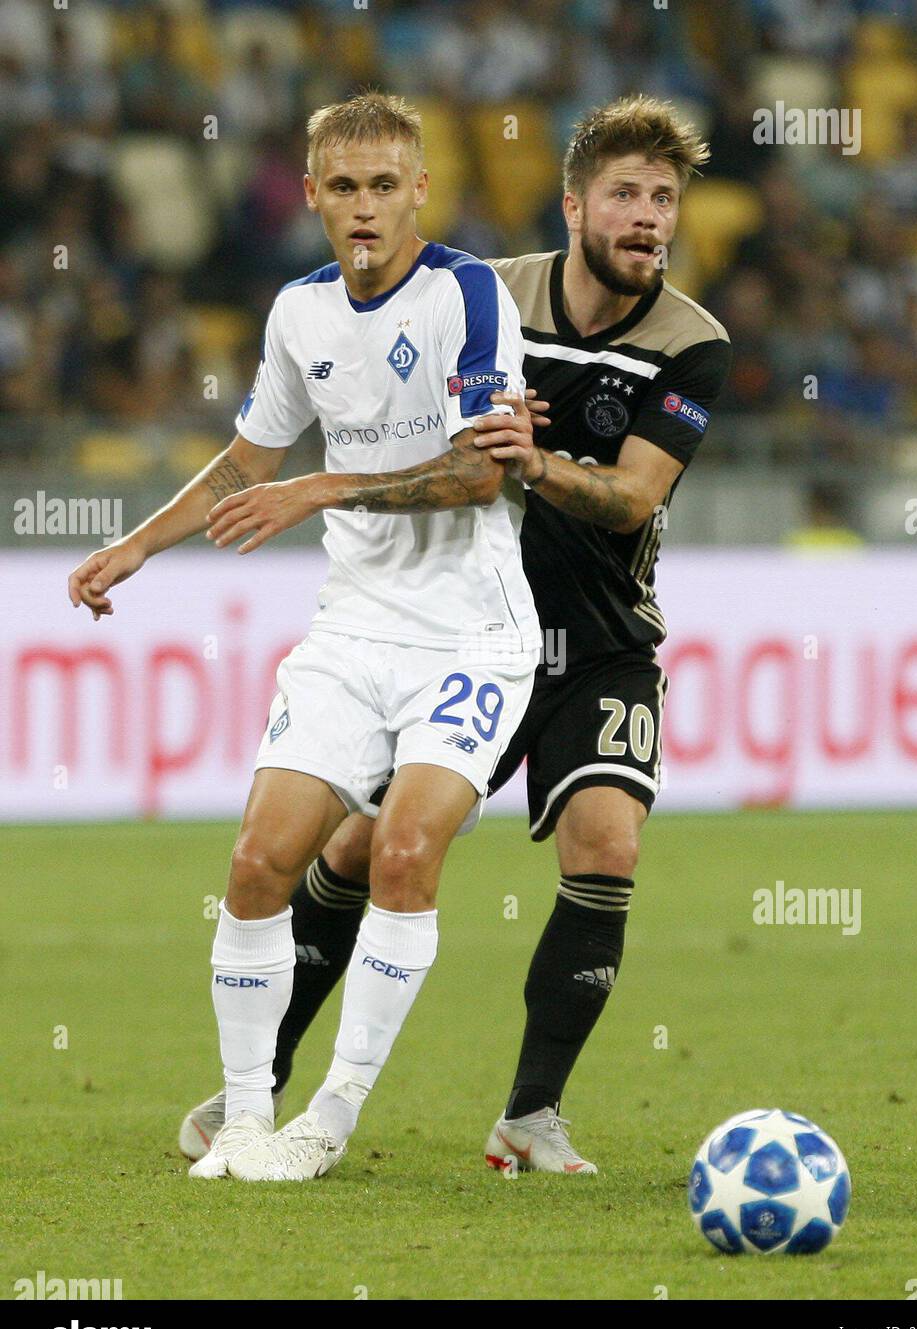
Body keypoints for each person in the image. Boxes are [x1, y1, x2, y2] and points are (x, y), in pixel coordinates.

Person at [179, 94, 732, 1177]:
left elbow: (629, 499)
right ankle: (264, 1084)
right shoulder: (484, 294)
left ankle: (530, 1112)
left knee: (606, 841)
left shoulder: (691, 344)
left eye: (664, 200)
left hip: (600, 636)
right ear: (574, 204)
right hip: (460, 625)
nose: (647, 218)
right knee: (350, 850)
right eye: (625, 194)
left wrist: (534, 465)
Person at [69, 92, 544, 1183]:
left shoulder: (465, 296)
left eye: (386, 185)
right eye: (343, 187)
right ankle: (243, 1118)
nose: (365, 207)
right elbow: (248, 460)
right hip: (352, 633)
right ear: (314, 195)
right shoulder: (298, 314)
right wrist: (135, 546)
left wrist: (325, 483)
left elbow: (485, 468)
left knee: (405, 850)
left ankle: (327, 1115)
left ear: (420, 187)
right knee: (255, 863)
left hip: (470, 637)